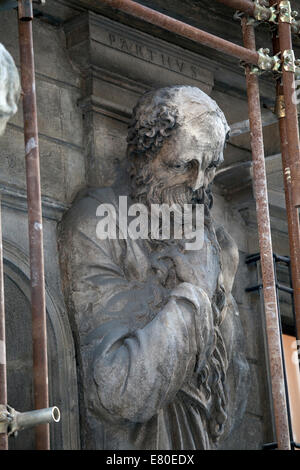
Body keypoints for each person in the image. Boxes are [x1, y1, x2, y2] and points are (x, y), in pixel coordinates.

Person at [59, 86, 249, 450]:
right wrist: (194, 294)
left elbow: (228, 409)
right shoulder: (97, 225)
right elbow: (118, 390)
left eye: (211, 167)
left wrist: (221, 298)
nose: (198, 184)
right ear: (142, 156)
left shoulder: (210, 242)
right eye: (182, 165)